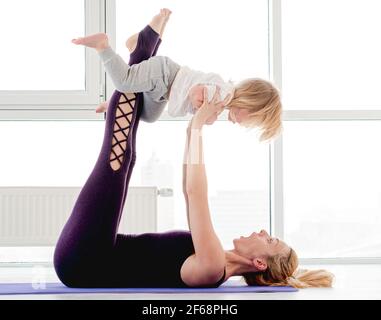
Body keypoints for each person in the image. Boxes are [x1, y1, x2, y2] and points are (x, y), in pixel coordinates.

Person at [54, 10, 334, 288]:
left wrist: (198, 126)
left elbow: (194, 193)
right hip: (92, 252)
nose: (264, 232)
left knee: (119, 154)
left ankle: (138, 47)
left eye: (269, 240)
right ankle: (143, 46)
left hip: (84, 260)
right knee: (124, 155)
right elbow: (190, 188)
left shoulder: (213, 266)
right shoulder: (214, 255)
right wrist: (193, 130)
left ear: (260, 263)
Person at [72, 10, 282, 141]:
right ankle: (103, 46)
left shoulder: (223, 101)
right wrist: (206, 112)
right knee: (125, 80)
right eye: (252, 121)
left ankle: (115, 98)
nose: (245, 125)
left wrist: (208, 115)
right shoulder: (222, 94)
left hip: (163, 91)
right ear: (250, 104)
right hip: (164, 75)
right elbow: (196, 92)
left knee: (148, 116)